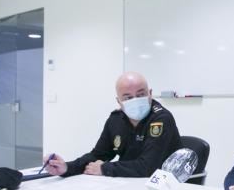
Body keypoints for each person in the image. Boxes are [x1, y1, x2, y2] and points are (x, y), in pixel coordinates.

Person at [45, 71, 181, 178]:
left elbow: (148, 167)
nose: (135, 100)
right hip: (127, 183)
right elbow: (98, 155)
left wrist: (104, 169)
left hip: (163, 187)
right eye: (128, 97)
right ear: (119, 101)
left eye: (140, 95)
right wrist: (67, 167)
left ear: (150, 94)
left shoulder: (161, 119)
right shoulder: (115, 120)